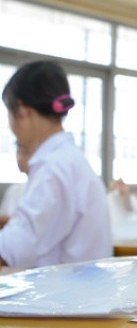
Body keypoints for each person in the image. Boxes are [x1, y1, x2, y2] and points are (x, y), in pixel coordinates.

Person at [0, 60, 112, 267]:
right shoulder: (66, 160)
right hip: (79, 283)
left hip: (70, 287)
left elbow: (12, 249)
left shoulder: (54, 167)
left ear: (22, 110)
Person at [0, 142, 31, 228]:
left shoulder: (48, 188)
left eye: (26, 153)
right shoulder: (15, 190)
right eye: (18, 152)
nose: (20, 158)